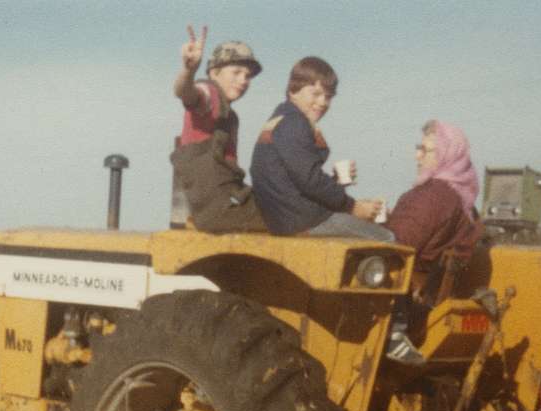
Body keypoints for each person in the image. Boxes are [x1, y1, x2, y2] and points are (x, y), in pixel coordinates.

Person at [250, 56, 393, 241]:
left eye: (328, 96)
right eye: (316, 94)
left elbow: (297, 177)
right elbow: (310, 180)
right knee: (386, 237)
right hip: (303, 220)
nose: (323, 102)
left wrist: (336, 182)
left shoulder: (279, 120)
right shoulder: (294, 122)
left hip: (286, 218)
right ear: (293, 91)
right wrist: (352, 207)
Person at [381, 120, 481, 363]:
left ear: (446, 155)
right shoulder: (460, 198)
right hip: (427, 294)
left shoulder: (433, 197)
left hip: (407, 297)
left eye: (424, 150)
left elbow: (396, 244)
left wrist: (366, 223)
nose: (417, 156)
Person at [170, 24, 266, 232]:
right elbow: (185, 92)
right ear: (214, 72)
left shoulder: (230, 117)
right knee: (289, 219)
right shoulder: (210, 94)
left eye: (248, 76)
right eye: (237, 72)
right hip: (217, 209)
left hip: (227, 200)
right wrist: (189, 70)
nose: (243, 80)